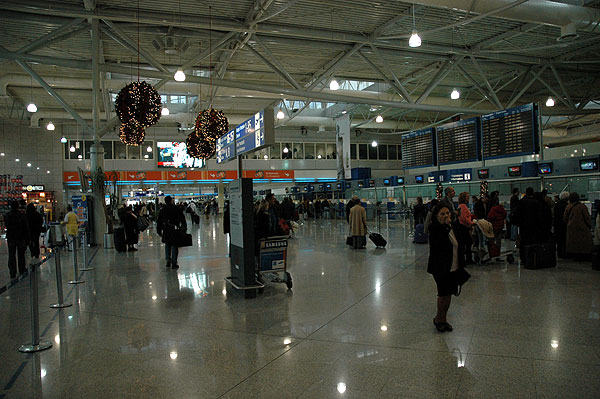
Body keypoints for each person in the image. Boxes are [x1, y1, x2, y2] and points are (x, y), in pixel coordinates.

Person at [427, 204, 464, 333]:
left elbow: (460, 241)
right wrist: (446, 226)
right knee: (442, 294)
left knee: (449, 294)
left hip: (453, 265)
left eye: (447, 213)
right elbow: (438, 244)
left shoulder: (452, 226)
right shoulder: (435, 228)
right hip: (440, 267)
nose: (446, 216)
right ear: (437, 216)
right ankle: (438, 318)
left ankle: (444, 319)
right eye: (442, 214)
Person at [157, 196, 187, 269]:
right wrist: (184, 227)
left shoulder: (162, 210)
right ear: (171, 201)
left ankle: (168, 260)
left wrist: (159, 231)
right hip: (174, 229)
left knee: (167, 244)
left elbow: (159, 221)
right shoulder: (176, 209)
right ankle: (174, 262)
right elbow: (182, 218)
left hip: (166, 229)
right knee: (174, 245)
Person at [564, 192, 593, 260]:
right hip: (582, 228)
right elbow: (587, 218)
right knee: (583, 244)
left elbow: (565, 218)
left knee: (573, 244)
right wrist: (589, 225)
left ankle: (574, 255)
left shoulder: (568, 206)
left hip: (571, 228)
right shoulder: (582, 206)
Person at [4, 201, 30, 278]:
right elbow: (26, 228)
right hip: (20, 237)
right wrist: (27, 238)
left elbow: (7, 225)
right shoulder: (21, 215)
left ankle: (12, 271)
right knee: (21, 254)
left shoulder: (7, 215)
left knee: (11, 255)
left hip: (11, 237)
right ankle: (21, 269)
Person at [457, 192, 474, 264]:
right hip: (464, 227)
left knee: (463, 244)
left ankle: (463, 260)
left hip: (461, 227)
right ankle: (468, 259)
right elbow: (463, 217)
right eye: (467, 196)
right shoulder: (463, 206)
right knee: (468, 243)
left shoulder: (460, 206)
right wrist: (470, 223)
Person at [553, 191, 569, 258]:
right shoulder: (567, 205)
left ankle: (559, 253)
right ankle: (565, 253)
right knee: (564, 239)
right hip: (564, 224)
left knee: (559, 240)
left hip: (557, 224)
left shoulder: (557, 205)